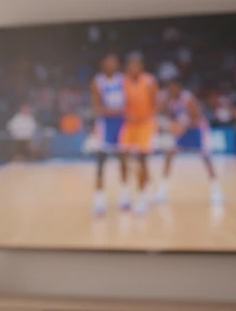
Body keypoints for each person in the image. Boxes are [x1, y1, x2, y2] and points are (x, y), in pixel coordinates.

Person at [159, 79, 223, 207]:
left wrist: (182, 126)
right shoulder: (170, 101)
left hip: (196, 130)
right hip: (182, 131)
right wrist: (171, 125)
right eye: (169, 88)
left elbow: (196, 118)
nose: (170, 91)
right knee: (170, 155)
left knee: (206, 159)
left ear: (178, 87)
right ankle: (163, 190)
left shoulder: (187, 99)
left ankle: (216, 190)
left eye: (172, 88)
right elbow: (170, 117)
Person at [119, 51, 159, 215]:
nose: (134, 67)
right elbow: (119, 104)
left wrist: (146, 117)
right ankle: (125, 192)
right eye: (131, 64)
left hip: (145, 124)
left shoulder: (149, 81)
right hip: (129, 124)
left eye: (136, 64)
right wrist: (126, 114)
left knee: (142, 160)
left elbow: (157, 104)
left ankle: (142, 198)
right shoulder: (122, 82)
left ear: (141, 67)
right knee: (123, 157)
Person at [89, 53, 128, 216]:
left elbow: (130, 104)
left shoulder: (124, 80)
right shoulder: (97, 81)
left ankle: (125, 196)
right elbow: (97, 108)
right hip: (105, 126)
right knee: (101, 163)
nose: (111, 65)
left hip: (122, 125)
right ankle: (99, 200)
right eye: (108, 62)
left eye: (114, 62)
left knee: (123, 161)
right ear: (103, 65)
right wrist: (117, 112)